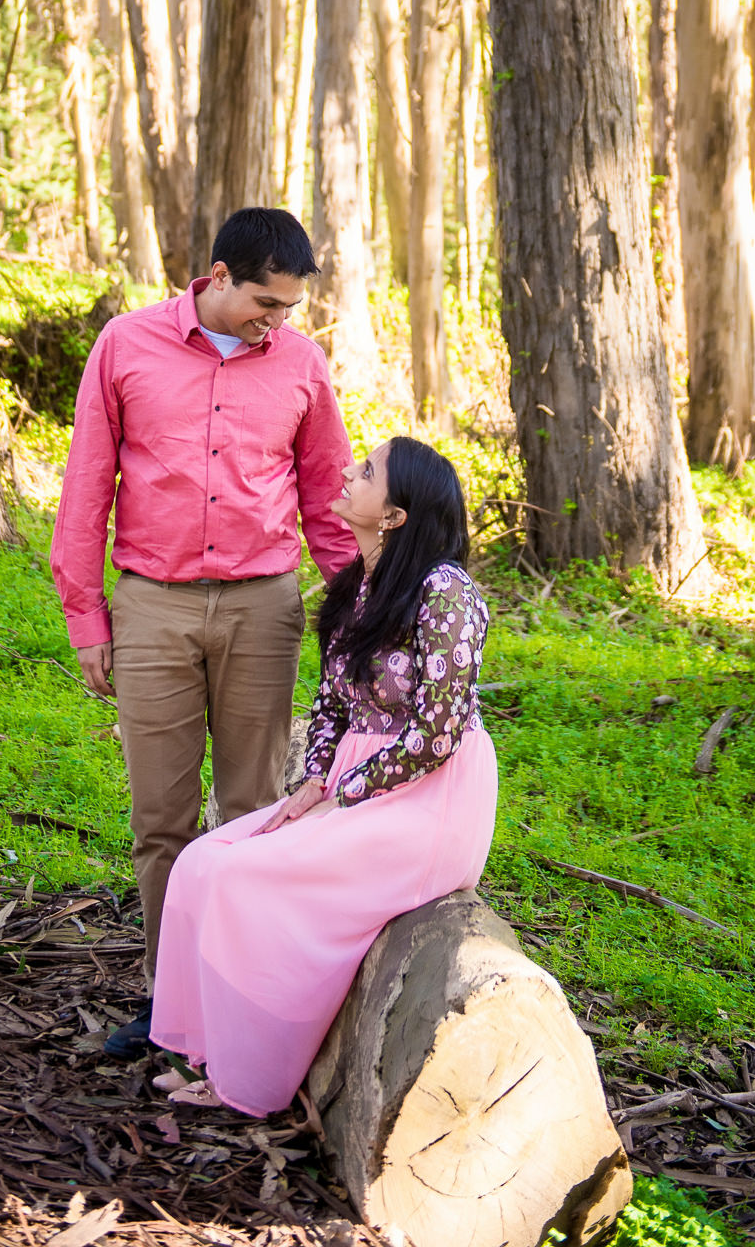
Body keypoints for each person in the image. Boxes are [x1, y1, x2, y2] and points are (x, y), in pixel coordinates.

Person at [51, 205, 356, 1059]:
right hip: (153, 608)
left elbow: (329, 496)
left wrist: (361, 614)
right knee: (162, 819)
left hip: (264, 608)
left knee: (254, 810)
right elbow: (86, 485)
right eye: (266, 301)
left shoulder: (300, 362)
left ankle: (246, 1000)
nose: (278, 321)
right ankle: (169, 997)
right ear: (217, 278)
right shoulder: (126, 344)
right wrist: (87, 618)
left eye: (290, 307)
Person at [149, 436, 497, 1118]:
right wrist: (314, 780)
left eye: (366, 472)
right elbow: (334, 703)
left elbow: (437, 733)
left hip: (429, 800)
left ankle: (249, 1081)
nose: (346, 472)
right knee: (200, 862)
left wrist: (346, 792)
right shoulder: (356, 585)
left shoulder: (445, 594)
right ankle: (213, 1048)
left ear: (394, 514)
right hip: (351, 782)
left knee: (245, 880)